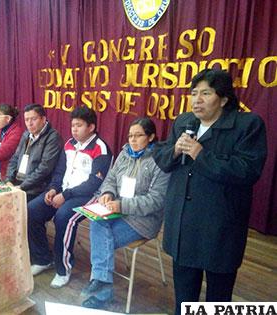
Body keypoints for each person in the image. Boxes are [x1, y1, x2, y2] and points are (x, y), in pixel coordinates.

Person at [153, 69, 267, 315]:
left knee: (218, 299)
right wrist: (174, 150)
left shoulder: (247, 125)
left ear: (223, 99)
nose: (197, 100)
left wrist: (200, 154)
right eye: (194, 93)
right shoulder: (184, 122)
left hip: (220, 230)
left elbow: (247, 171)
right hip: (183, 226)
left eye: (206, 93)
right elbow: (162, 158)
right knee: (184, 299)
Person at [80, 117, 170, 309]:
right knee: (96, 222)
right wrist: (107, 193)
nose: (133, 140)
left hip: (143, 220)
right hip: (117, 210)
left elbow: (156, 201)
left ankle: (102, 288)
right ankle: (103, 282)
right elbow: (110, 178)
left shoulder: (160, 161)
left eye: (138, 136)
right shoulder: (124, 154)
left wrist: (122, 205)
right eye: (130, 136)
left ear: (151, 137)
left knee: (102, 239)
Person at [28, 106, 112, 289]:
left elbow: (94, 183)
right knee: (32, 210)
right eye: (73, 125)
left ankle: (63, 269)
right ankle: (43, 259)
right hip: (64, 191)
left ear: (91, 127)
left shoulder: (101, 148)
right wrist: (52, 189)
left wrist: (65, 196)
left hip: (88, 196)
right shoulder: (69, 144)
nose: (74, 129)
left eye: (79, 125)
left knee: (63, 218)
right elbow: (59, 172)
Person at [5, 104, 62, 201]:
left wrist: (22, 186)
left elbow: (45, 168)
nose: (29, 123)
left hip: (35, 188)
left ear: (43, 119)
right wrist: (9, 180)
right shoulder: (26, 134)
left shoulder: (53, 137)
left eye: (33, 119)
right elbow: (15, 158)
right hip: (17, 182)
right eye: (26, 120)